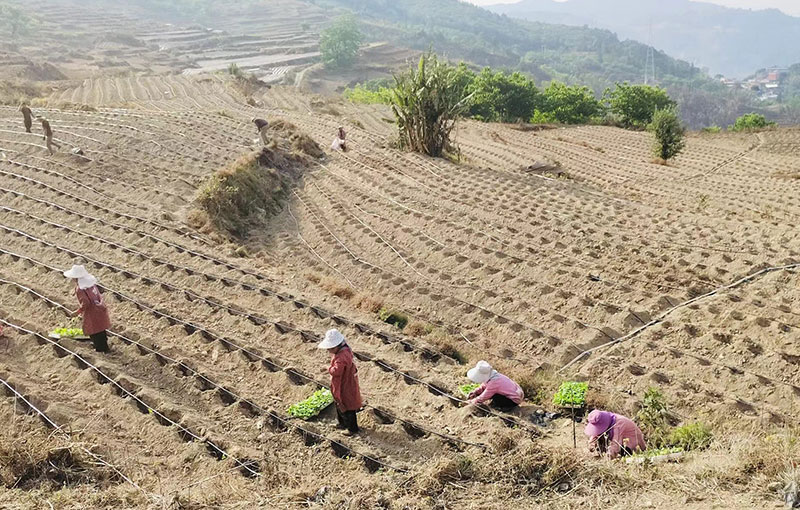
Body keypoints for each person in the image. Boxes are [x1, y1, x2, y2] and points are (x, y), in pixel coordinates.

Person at [318, 329, 362, 435]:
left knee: (347, 405)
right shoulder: (345, 350)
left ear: (336, 346)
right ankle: (342, 423)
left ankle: (352, 429)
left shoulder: (342, 357)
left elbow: (336, 371)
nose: (328, 351)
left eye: (329, 348)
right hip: (343, 381)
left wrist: (327, 368)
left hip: (345, 383)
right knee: (339, 403)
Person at [64, 265, 111, 353]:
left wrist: (77, 312)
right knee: (101, 329)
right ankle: (105, 347)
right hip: (99, 308)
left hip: (92, 312)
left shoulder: (80, 289)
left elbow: (85, 303)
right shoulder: (91, 283)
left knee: (94, 330)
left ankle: (101, 350)